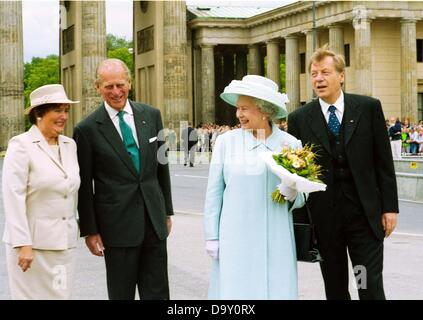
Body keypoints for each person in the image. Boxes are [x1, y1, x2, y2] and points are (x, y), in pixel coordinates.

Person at [288, 47, 398, 300]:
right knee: (336, 289)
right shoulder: (300, 119)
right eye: (314, 74)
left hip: (364, 218)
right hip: (326, 221)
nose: (318, 79)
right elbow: (296, 173)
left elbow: (383, 162)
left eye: (325, 72)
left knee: (367, 284)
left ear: (341, 76)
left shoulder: (368, 108)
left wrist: (389, 208)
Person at [73, 58, 174, 300]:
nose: (116, 92)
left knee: (158, 292)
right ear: (98, 87)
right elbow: (85, 186)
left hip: (153, 219)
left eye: (120, 84)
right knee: (121, 294)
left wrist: (167, 211)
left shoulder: (152, 115)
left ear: (130, 83)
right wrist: (90, 230)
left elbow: (162, 167)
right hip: (116, 227)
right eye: (108, 87)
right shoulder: (86, 129)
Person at [203, 75, 306, 299]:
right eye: (238, 108)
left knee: (276, 289)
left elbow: (303, 196)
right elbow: (214, 194)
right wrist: (212, 235)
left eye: (245, 108)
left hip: (276, 236)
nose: (238, 114)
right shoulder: (225, 142)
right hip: (236, 237)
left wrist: (293, 193)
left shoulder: (290, 144)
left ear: (265, 110)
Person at [2, 84, 80, 299]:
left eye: (66, 110)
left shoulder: (70, 145)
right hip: (32, 248)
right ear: (39, 113)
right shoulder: (20, 145)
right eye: (57, 110)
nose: (63, 116)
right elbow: (13, 197)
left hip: (64, 245)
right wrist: (23, 243)